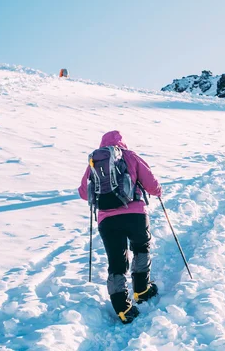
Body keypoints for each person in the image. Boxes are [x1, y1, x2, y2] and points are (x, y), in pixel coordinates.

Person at [78, 130, 162, 324]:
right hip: (135, 214)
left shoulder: (94, 163)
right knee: (141, 248)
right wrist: (158, 191)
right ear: (122, 143)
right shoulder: (130, 156)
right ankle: (141, 290)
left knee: (116, 260)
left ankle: (122, 309)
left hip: (107, 220)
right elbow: (151, 184)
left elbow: (84, 193)